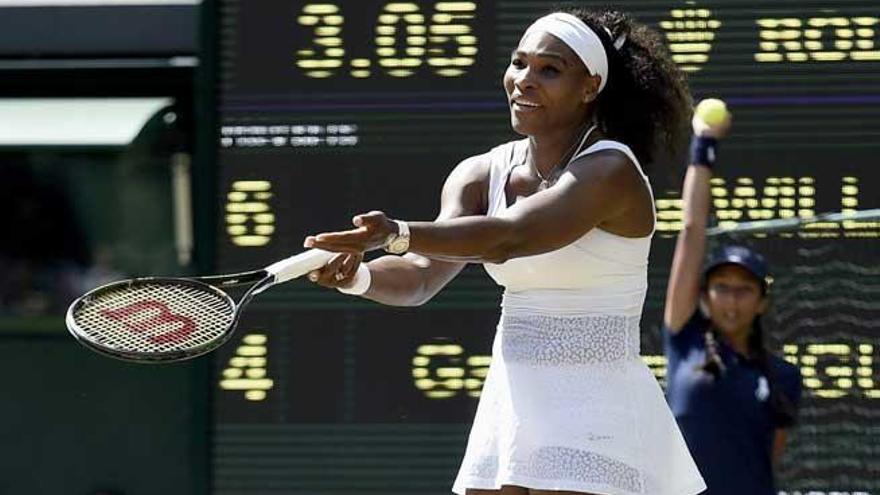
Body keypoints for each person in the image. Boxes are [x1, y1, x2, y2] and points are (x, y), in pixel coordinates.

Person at [305, 8, 705, 495]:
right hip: (512, 407)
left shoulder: (610, 171)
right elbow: (419, 277)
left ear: (590, 86)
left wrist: (394, 231)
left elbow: (508, 237)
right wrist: (357, 277)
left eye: (549, 70)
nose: (524, 81)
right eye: (519, 64)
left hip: (598, 408)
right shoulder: (478, 174)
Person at [662, 104, 803, 495]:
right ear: (705, 296)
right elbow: (691, 230)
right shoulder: (683, 338)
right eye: (721, 287)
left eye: (744, 290)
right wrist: (703, 147)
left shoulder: (784, 377)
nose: (731, 299)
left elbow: (768, 459)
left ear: (762, 302)